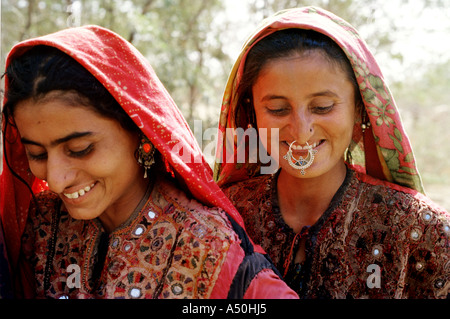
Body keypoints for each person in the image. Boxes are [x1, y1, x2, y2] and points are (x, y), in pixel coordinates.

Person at [0, 25, 298, 299]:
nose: (55, 179)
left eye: (80, 149)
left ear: (141, 133)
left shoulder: (210, 248)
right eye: (37, 154)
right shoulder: (41, 224)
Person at [214, 7, 450, 298]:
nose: (301, 130)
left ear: (360, 110)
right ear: (251, 115)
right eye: (278, 109)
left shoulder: (421, 231)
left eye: (323, 107)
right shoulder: (224, 219)